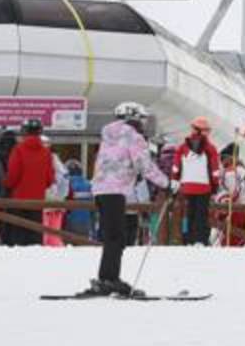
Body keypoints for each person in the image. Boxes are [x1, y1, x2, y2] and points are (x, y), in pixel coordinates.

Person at [86, 102, 177, 297]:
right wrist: (167, 183)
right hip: (116, 191)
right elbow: (145, 165)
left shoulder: (108, 137)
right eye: (142, 120)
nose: (143, 124)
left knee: (111, 236)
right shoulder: (134, 138)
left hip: (101, 190)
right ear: (135, 119)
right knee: (117, 237)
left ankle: (106, 277)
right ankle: (109, 279)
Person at [1, 119, 54, 246]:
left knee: (19, 236)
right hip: (37, 201)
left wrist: (6, 185)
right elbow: (50, 179)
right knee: (35, 235)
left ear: (24, 132)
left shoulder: (18, 150)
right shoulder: (46, 153)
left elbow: (13, 176)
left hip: (19, 200)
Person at [173, 117, 220, 246]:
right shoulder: (210, 148)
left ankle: (188, 239)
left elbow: (176, 167)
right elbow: (215, 169)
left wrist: (175, 180)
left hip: (186, 186)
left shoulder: (182, 147)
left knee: (189, 213)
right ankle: (200, 240)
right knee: (201, 214)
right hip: (204, 187)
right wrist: (215, 185)